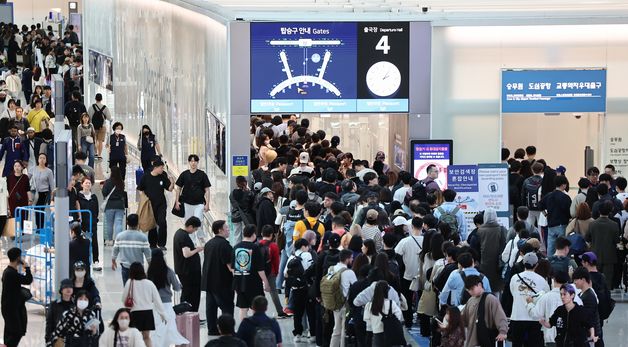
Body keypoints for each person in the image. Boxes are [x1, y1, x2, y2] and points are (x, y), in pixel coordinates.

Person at [525, 270, 582, 346]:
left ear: (554, 280)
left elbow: (535, 314)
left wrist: (530, 304)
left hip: (551, 338)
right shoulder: (575, 298)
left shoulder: (546, 297)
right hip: (571, 339)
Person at [146, 248, 189, 347]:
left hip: (153, 304)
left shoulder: (149, 272)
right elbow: (177, 288)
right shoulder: (168, 271)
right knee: (168, 327)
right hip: (166, 303)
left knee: (156, 326)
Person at [509, 252, 550, 347]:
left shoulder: (515, 278)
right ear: (536, 265)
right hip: (534, 318)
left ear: (523, 263)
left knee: (517, 344)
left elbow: (513, 293)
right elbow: (545, 297)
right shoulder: (542, 280)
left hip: (517, 317)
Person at [122, 262, 167, 347]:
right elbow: (157, 300)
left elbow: (124, 299)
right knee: (146, 337)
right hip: (147, 313)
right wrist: (162, 314)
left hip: (134, 313)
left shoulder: (130, 282)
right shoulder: (149, 283)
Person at [202, 220, 234, 336]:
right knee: (227, 307)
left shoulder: (209, 244)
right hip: (222, 282)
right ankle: (228, 330)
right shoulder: (225, 245)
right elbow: (230, 266)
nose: (228, 230)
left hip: (208, 281)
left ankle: (212, 329)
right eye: (226, 228)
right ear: (220, 230)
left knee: (211, 307)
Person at [233, 224, 271, 320]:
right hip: (253, 283)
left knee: (243, 309)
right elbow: (260, 269)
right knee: (256, 308)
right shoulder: (255, 248)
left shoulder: (236, 247)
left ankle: (244, 330)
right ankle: (255, 329)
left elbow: (233, 268)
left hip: (240, 283)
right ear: (253, 234)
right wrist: (266, 283)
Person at [459, 275, 508, 347]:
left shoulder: (490, 299)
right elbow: (463, 318)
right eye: (468, 290)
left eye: (472, 289)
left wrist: (503, 331)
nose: (470, 292)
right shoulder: (470, 300)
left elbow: (500, 316)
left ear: (480, 285)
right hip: (472, 340)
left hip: (485, 340)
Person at [137, 158, 174, 249]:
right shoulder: (146, 177)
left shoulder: (162, 177)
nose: (162, 170)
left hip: (161, 204)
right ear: (156, 168)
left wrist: (172, 182)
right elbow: (140, 189)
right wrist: (144, 199)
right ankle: (152, 244)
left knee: (162, 222)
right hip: (150, 205)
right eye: (161, 168)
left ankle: (161, 244)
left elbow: (169, 189)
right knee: (152, 224)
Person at [394, 216, 424, 327]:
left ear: (412, 226)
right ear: (423, 226)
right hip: (423, 275)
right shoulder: (427, 240)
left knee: (407, 299)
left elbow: (397, 255)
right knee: (422, 298)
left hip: (407, 274)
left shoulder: (405, 241)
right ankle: (422, 320)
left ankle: (408, 321)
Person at [174, 154, 211, 242]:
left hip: (199, 203)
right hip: (187, 203)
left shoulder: (202, 175)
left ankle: (200, 235)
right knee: (189, 222)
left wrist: (208, 204)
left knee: (198, 219)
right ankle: (192, 240)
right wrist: (177, 201)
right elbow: (178, 188)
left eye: (195, 161)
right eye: (191, 161)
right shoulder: (184, 174)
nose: (193, 163)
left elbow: (207, 190)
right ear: (189, 162)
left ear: (198, 162)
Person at [285, 238, 316, 341]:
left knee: (297, 313)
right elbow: (311, 270)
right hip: (306, 288)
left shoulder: (291, 257)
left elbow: (286, 273)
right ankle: (312, 335)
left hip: (295, 289)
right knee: (310, 312)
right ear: (303, 246)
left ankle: (298, 334)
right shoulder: (307, 255)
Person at [1, 247, 33, 347]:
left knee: (10, 331)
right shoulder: (11, 273)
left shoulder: (8, 271)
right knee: (16, 332)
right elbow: (28, 280)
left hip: (9, 307)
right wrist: (27, 267)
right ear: (18, 258)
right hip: (12, 309)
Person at [586, 200, 620, 288]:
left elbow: (587, 238)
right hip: (610, 255)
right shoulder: (614, 225)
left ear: (599, 211)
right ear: (609, 211)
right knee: (607, 280)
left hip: (595, 254)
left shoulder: (592, 224)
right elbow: (617, 240)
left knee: (595, 279)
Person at [172, 216, 203, 312]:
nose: (194, 231)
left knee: (188, 292)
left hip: (185, 270)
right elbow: (186, 254)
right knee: (190, 293)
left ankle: (188, 313)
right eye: (195, 228)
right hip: (188, 271)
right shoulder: (183, 236)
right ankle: (189, 313)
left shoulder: (179, 233)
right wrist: (197, 249)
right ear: (190, 226)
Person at [112, 214, 152, 285]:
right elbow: (148, 254)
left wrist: (113, 260)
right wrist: (150, 266)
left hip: (125, 267)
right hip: (139, 268)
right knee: (139, 289)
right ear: (138, 223)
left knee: (127, 288)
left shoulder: (120, 236)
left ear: (127, 223)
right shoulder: (143, 237)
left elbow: (115, 249)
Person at [328, 249, 357, 347]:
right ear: (347, 259)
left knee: (336, 328)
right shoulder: (349, 272)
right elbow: (355, 286)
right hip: (345, 304)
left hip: (334, 302)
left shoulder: (331, 269)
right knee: (344, 328)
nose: (352, 259)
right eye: (351, 258)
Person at [363, 280, 404, 347]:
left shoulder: (369, 305)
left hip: (376, 333)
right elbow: (399, 317)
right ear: (387, 291)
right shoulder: (391, 303)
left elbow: (367, 321)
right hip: (391, 334)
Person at [540, 175, 572, 256]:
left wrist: (546, 214)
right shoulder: (565, 197)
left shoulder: (548, 195)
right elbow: (569, 212)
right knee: (562, 245)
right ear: (564, 185)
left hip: (551, 223)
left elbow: (539, 205)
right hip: (562, 224)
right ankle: (561, 261)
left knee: (550, 246)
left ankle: (550, 262)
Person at [477, 208, 507, 292]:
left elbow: (477, 248)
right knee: (497, 289)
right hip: (498, 264)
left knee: (485, 287)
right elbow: (504, 246)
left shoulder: (480, 231)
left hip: (484, 264)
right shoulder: (501, 229)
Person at [573, 267, 604, 347]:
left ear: (583, 279)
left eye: (576, 280)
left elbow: (588, 317)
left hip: (592, 336)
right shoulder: (582, 294)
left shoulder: (589, 296)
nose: (574, 282)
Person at [258, 225, 284, 316]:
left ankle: (259, 310)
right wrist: (276, 272)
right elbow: (276, 262)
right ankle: (280, 311)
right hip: (270, 271)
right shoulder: (273, 246)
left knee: (259, 291)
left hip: (258, 272)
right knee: (273, 292)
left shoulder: (257, 245)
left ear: (261, 234)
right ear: (272, 235)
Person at [77, 176, 101, 270]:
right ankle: (83, 261)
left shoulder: (94, 197)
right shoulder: (79, 196)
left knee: (94, 241)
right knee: (82, 242)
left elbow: (96, 210)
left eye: (89, 183)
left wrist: (94, 219)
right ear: (82, 184)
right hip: (82, 224)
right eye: (86, 183)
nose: (87, 184)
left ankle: (96, 261)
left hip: (92, 223)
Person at [102, 167, 128, 246]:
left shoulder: (107, 182)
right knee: (118, 223)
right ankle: (118, 241)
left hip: (109, 205)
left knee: (109, 224)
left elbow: (104, 193)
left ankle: (110, 240)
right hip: (119, 205)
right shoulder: (121, 182)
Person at [45, 279, 75, 345]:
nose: (68, 289)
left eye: (70, 287)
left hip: (72, 338)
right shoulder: (54, 304)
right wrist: (48, 338)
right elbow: (49, 322)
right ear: (61, 290)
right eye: (66, 287)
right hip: (58, 337)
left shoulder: (75, 305)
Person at [30, 152, 54, 229]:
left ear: (46, 160)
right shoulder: (33, 169)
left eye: (44, 158)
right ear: (38, 159)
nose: (42, 160)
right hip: (34, 192)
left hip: (44, 194)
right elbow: (26, 179)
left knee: (41, 209)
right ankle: (38, 226)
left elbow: (52, 185)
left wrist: (52, 197)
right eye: (40, 158)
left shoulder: (49, 171)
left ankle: (40, 227)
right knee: (36, 210)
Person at [230, 176, 255, 245]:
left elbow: (234, 205)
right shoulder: (248, 193)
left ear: (236, 183)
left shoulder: (232, 194)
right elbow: (252, 203)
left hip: (235, 216)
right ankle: (245, 249)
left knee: (236, 235)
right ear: (245, 182)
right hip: (245, 217)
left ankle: (236, 251)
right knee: (246, 235)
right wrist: (248, 190)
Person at [87, 93, 111, 159]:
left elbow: (88, 117)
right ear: (101, 99)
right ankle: (100, 155)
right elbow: (109, 118)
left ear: (95, 98)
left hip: (93, 127)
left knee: (94, 140)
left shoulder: (91, 107)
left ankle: (95, 153)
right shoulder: (105, 108)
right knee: (100, 141)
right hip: (102, 126)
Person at [521, 162, 545, 227]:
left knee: (529, 226)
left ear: (532, 170)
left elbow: (523, 195)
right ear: (541, 170)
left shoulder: (527, 181)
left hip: (529, 207)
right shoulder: (544, 181)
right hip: (540, 208)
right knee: (541, 227)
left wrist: (524, 207)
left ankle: (529, 237)